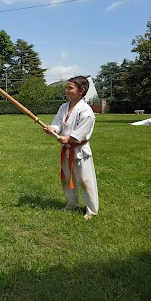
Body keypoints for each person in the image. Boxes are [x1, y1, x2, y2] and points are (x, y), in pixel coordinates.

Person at [44, 76, 99, 220]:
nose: (66, 90)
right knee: (67, 178)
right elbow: (58, 124)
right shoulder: (63, 107)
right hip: (67, 150)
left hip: (80, 151)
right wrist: (52, 129)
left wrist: (69, 138)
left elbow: (83, 131)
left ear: (81, 90)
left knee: (85, 180)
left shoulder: (86, 111)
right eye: (66, 87)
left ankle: (91, 210)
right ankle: (71, 203)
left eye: (70, 88)